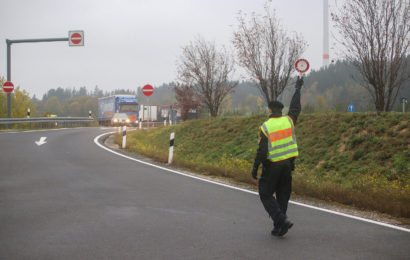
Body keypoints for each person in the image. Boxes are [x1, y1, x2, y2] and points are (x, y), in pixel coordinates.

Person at [251, 77, 303, 237]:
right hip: (287, 166)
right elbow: (295, 109)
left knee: (265, 193)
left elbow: (262, 151)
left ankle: (281, 219)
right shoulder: (288, 121)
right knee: (282, 195)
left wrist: (255, 167)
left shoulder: (266, 126)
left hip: (273, 166)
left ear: (270, 111)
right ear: (281, 110)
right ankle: (279, 227)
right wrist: (297, 90)